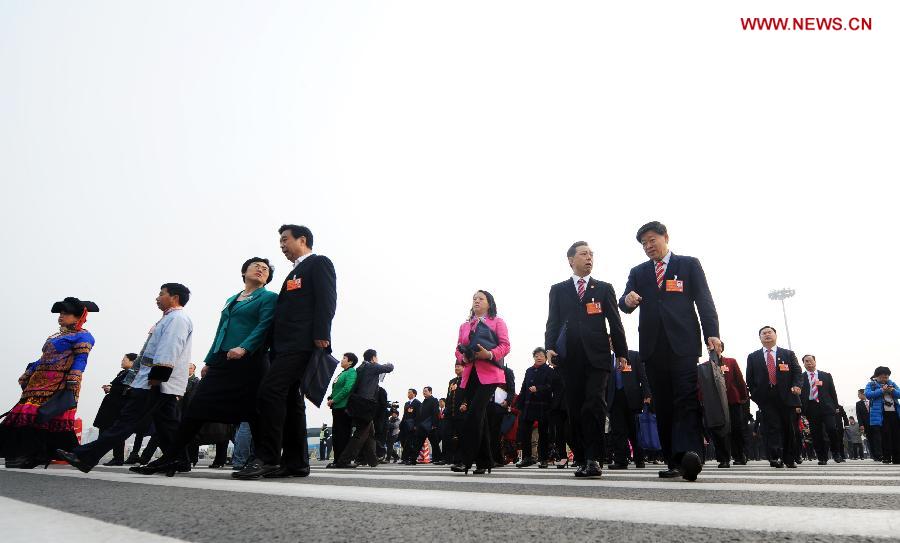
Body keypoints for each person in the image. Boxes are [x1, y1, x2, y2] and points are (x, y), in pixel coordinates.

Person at [618, 222, 721, 482]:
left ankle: (690, 455)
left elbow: (704, 300)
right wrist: (627, 301)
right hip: (653, 348)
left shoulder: (689, 264)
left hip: (683, 344)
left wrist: (713, 333)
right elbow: (624, 302)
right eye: (643, 243)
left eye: (652, 240)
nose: (648, 246)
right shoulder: (639, 272)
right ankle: (673, 461)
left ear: (666, 237)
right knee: (663, 404)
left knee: (685, 398)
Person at [235, 225, 336, 480]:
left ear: (302, 240)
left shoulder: (318, 263)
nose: (281, 245)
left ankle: (267, 458)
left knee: (269, 392)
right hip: (283, 346)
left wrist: (322, 335)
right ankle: (296, 463)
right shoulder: (293, 272)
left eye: (285, 240)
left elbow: (327, 299)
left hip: (301, 344)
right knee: (291, 402)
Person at [59, 284, 192, 473]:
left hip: (155, 382)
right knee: (167, 425)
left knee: (126, 421)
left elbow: (170, 347)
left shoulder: (177, 318)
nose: (157, 297)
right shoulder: (169, 318)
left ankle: (85, 456)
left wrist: (157, 376)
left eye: (161, 294)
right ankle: (179, 460)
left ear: (174, 297)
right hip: (157, 382)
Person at [546, 241, 629, 479]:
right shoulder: (558, 290)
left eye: (592, 254)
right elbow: (552, 322)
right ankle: (581, 456)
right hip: (569, 358)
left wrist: (621, 352)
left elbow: (615, 322)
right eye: (584, 254)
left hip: (598, 357)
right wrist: (550, 347)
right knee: (574, 407)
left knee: (594, 403)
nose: (589, 257)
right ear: (571, 260)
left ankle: (594, 458)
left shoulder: (603, 288)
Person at [1, 297, 98, 469]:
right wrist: (28, 372)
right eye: (60, 313)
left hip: (58, 383)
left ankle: (33, 456)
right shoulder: (55, 336)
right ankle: (21, 455)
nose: (61, 316)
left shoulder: (84, 336)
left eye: (66, 313)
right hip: (37, 382)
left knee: (40, 417)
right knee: (25, 416)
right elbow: (43, 359)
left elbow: (81, 359)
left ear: (78, 317)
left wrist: (73, 378)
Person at [451, 290, 511, 475]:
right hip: (470, 374)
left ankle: (464, 459)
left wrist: (490, 354)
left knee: (473, 415)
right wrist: (463, 358)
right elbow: (457, 348)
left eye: (481, 298)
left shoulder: (497, 322)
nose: (477, 301)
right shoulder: (464, 326)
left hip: (490, 375)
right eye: (474, 299)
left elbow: (505, 345)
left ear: (489, 303)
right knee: (481, 419)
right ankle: (485, 461)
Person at [745, 325, 802, 469]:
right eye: (763, 333)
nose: (767, 335)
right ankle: (775, 457)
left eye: (770, 332)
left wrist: (797, 386)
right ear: (760, 338)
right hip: (766, 397)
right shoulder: (753, 357)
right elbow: (750, 379)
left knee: (788, 427)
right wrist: (756, 395)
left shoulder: (788, 354)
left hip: (787, 396)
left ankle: (789, 458)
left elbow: (797, 372)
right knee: (772, 427)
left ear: (775, 335)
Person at [328, 352, 394, 468]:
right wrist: (389, 363)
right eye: (376, 357)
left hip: (358, 403)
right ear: (373, 358)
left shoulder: (359, 368)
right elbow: (389, 368)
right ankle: (344, 460)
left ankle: (372, 461)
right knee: (361, 433)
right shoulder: (372, 366)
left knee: (370, 433)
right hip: (366, 404)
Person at [606, 344, 651, 470]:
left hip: (632, 398)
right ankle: (620, 460)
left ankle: (639, 458)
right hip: (614, 398)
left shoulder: (634, 355)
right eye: (609, 342)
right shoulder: (608, 360)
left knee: (634, 430)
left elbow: (643, 376)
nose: (612, 344)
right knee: (618, 431)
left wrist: (647, 394)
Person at [92, 353, 138, 466]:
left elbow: (127, 390)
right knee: (105, 431)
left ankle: (100, 456)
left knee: (111, 432)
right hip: (111, 406)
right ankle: (108, 457)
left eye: (124, 359)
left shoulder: (133, 374)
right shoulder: (123, 373)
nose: (122, 361)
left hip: (117, 408)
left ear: (132, 362)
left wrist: (111, 389)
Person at [709, 344, 750, 468]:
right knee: (720, 430)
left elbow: (740, 380)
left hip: (733, 400)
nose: (711, 348)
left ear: (721, 348)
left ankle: (739, 455)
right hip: (716, 403)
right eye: (708, 346)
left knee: (736, 428)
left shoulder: (731, 362)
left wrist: (743, 397)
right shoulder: (706, 365)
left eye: (714, 345)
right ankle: (723, 458)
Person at [799, 354, 844, 464]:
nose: (808, 363)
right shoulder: (801, 377)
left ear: (815, 362)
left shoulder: (826, 375)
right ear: (803, 364)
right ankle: (822, 457)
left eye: (810, 360)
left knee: (832, 429)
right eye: (806, 361)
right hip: (811, 407)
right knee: (816, 433)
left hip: (827, 407)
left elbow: (832, 392)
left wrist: (836, 406)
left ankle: (836, 453)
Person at [515, 348, 554, 469]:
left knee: (543, 432)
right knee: (525, 431)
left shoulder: (549, 371)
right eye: (536, 356)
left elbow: (550, 386)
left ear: (546, 358)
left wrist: (538, 389)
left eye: (542, 355)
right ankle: (527, 458)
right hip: (528, 404)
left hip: (543, 404)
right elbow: (523, 387)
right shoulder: (529, 370)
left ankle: (543, 459)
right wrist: (519, 403)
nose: (539, 357)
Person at [865, 366, 900, 464]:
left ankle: (897, 458)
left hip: (894, 413)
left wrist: (892, 390)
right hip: (881, 414)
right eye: (882, 377)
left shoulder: (892, 384)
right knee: (885, 436)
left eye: (886, 377)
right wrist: (881, 390)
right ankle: (887, 457)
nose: (884, 379)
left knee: (896, 436)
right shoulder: (871, 384)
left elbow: (899, 393)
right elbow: (868, 394)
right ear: (877, 376)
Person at [328, 353, 359, 463]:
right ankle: (337, 459)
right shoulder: (342, 372)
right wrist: (330, 397)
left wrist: (334, 399)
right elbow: (337, 388)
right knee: (336, 434)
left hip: (344, 407)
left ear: (350, 362)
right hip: (336, 407)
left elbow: (347, 388)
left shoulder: (351, 372)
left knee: (343, 435)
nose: (342, 360)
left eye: (344, 358)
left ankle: (343, 460)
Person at [443, 362, 465, 465]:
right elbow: (448, 396)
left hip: (461, 412)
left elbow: (468, 394)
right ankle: (447, 458)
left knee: (461, 436)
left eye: (458, 366)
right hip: (449, 413)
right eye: (455, 366)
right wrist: (446, 409)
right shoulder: (451, 381)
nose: (456, 368)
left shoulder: (467, 379)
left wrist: (465, 403)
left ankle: (459, 459)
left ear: (464, 367)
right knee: (447, 435)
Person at [414, 386, 441, 464]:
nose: (424, 392)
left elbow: (436, 413)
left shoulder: (434, 400)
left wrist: (434, 424)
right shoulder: (423, 402)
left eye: (426, 391)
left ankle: (437, 459)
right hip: (422, 426)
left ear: (430, 392)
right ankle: (413, 459)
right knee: (418, 443)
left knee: (434, 443)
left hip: (430, 426)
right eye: (423, 391)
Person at [400, 389, 421, 465]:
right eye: (407, 392)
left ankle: (409, 458)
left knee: (410, 442)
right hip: (405, 426)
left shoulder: (417, 403)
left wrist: (416, 425)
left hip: (412, 426)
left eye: (410, 392)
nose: (408, 394)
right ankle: (404, 458)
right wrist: (401, 424)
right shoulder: (406, 403)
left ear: (414, 394)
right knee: (404, 442)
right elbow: (404, 415)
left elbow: (418, 415)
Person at [856, 388, 879, 461]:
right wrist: (861, 425)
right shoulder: (858, 404)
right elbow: (859, 416)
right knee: (870, 440)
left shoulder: (872, 400)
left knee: (877, 438)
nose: (858, 396)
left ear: (863, 394)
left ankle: (880, 454)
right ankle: (874, 456)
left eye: (859, 394)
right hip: (866, 425)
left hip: (875, 423)